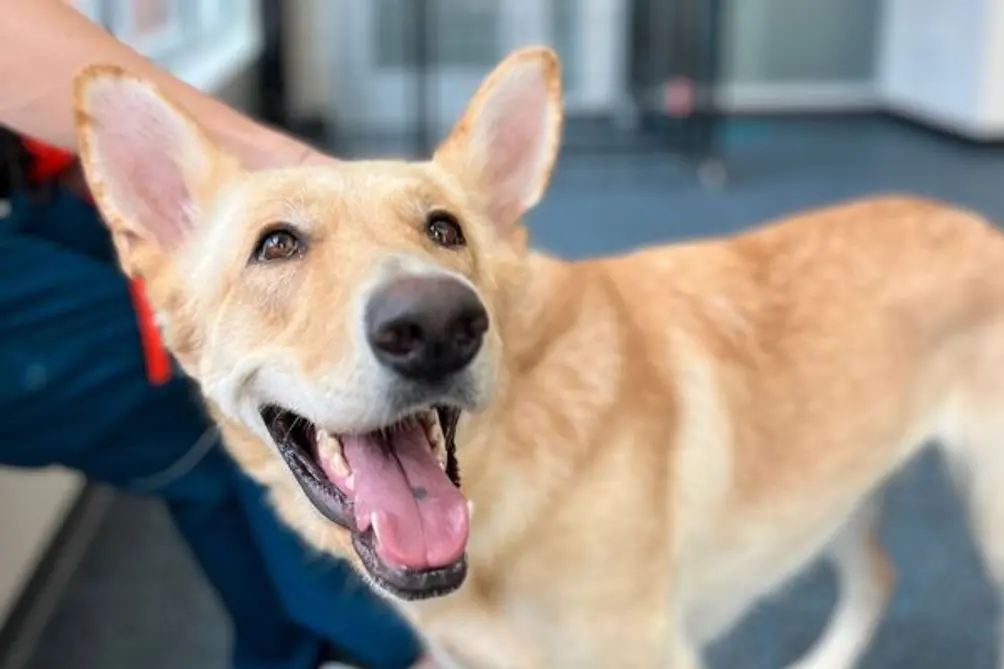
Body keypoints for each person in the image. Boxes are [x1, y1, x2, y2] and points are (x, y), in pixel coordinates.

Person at [0, 2, 431, 668]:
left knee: (220, 446)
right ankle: (396, 648)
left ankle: (317, 644)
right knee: (209, 384)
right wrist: (284, 161)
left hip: (32, 182)